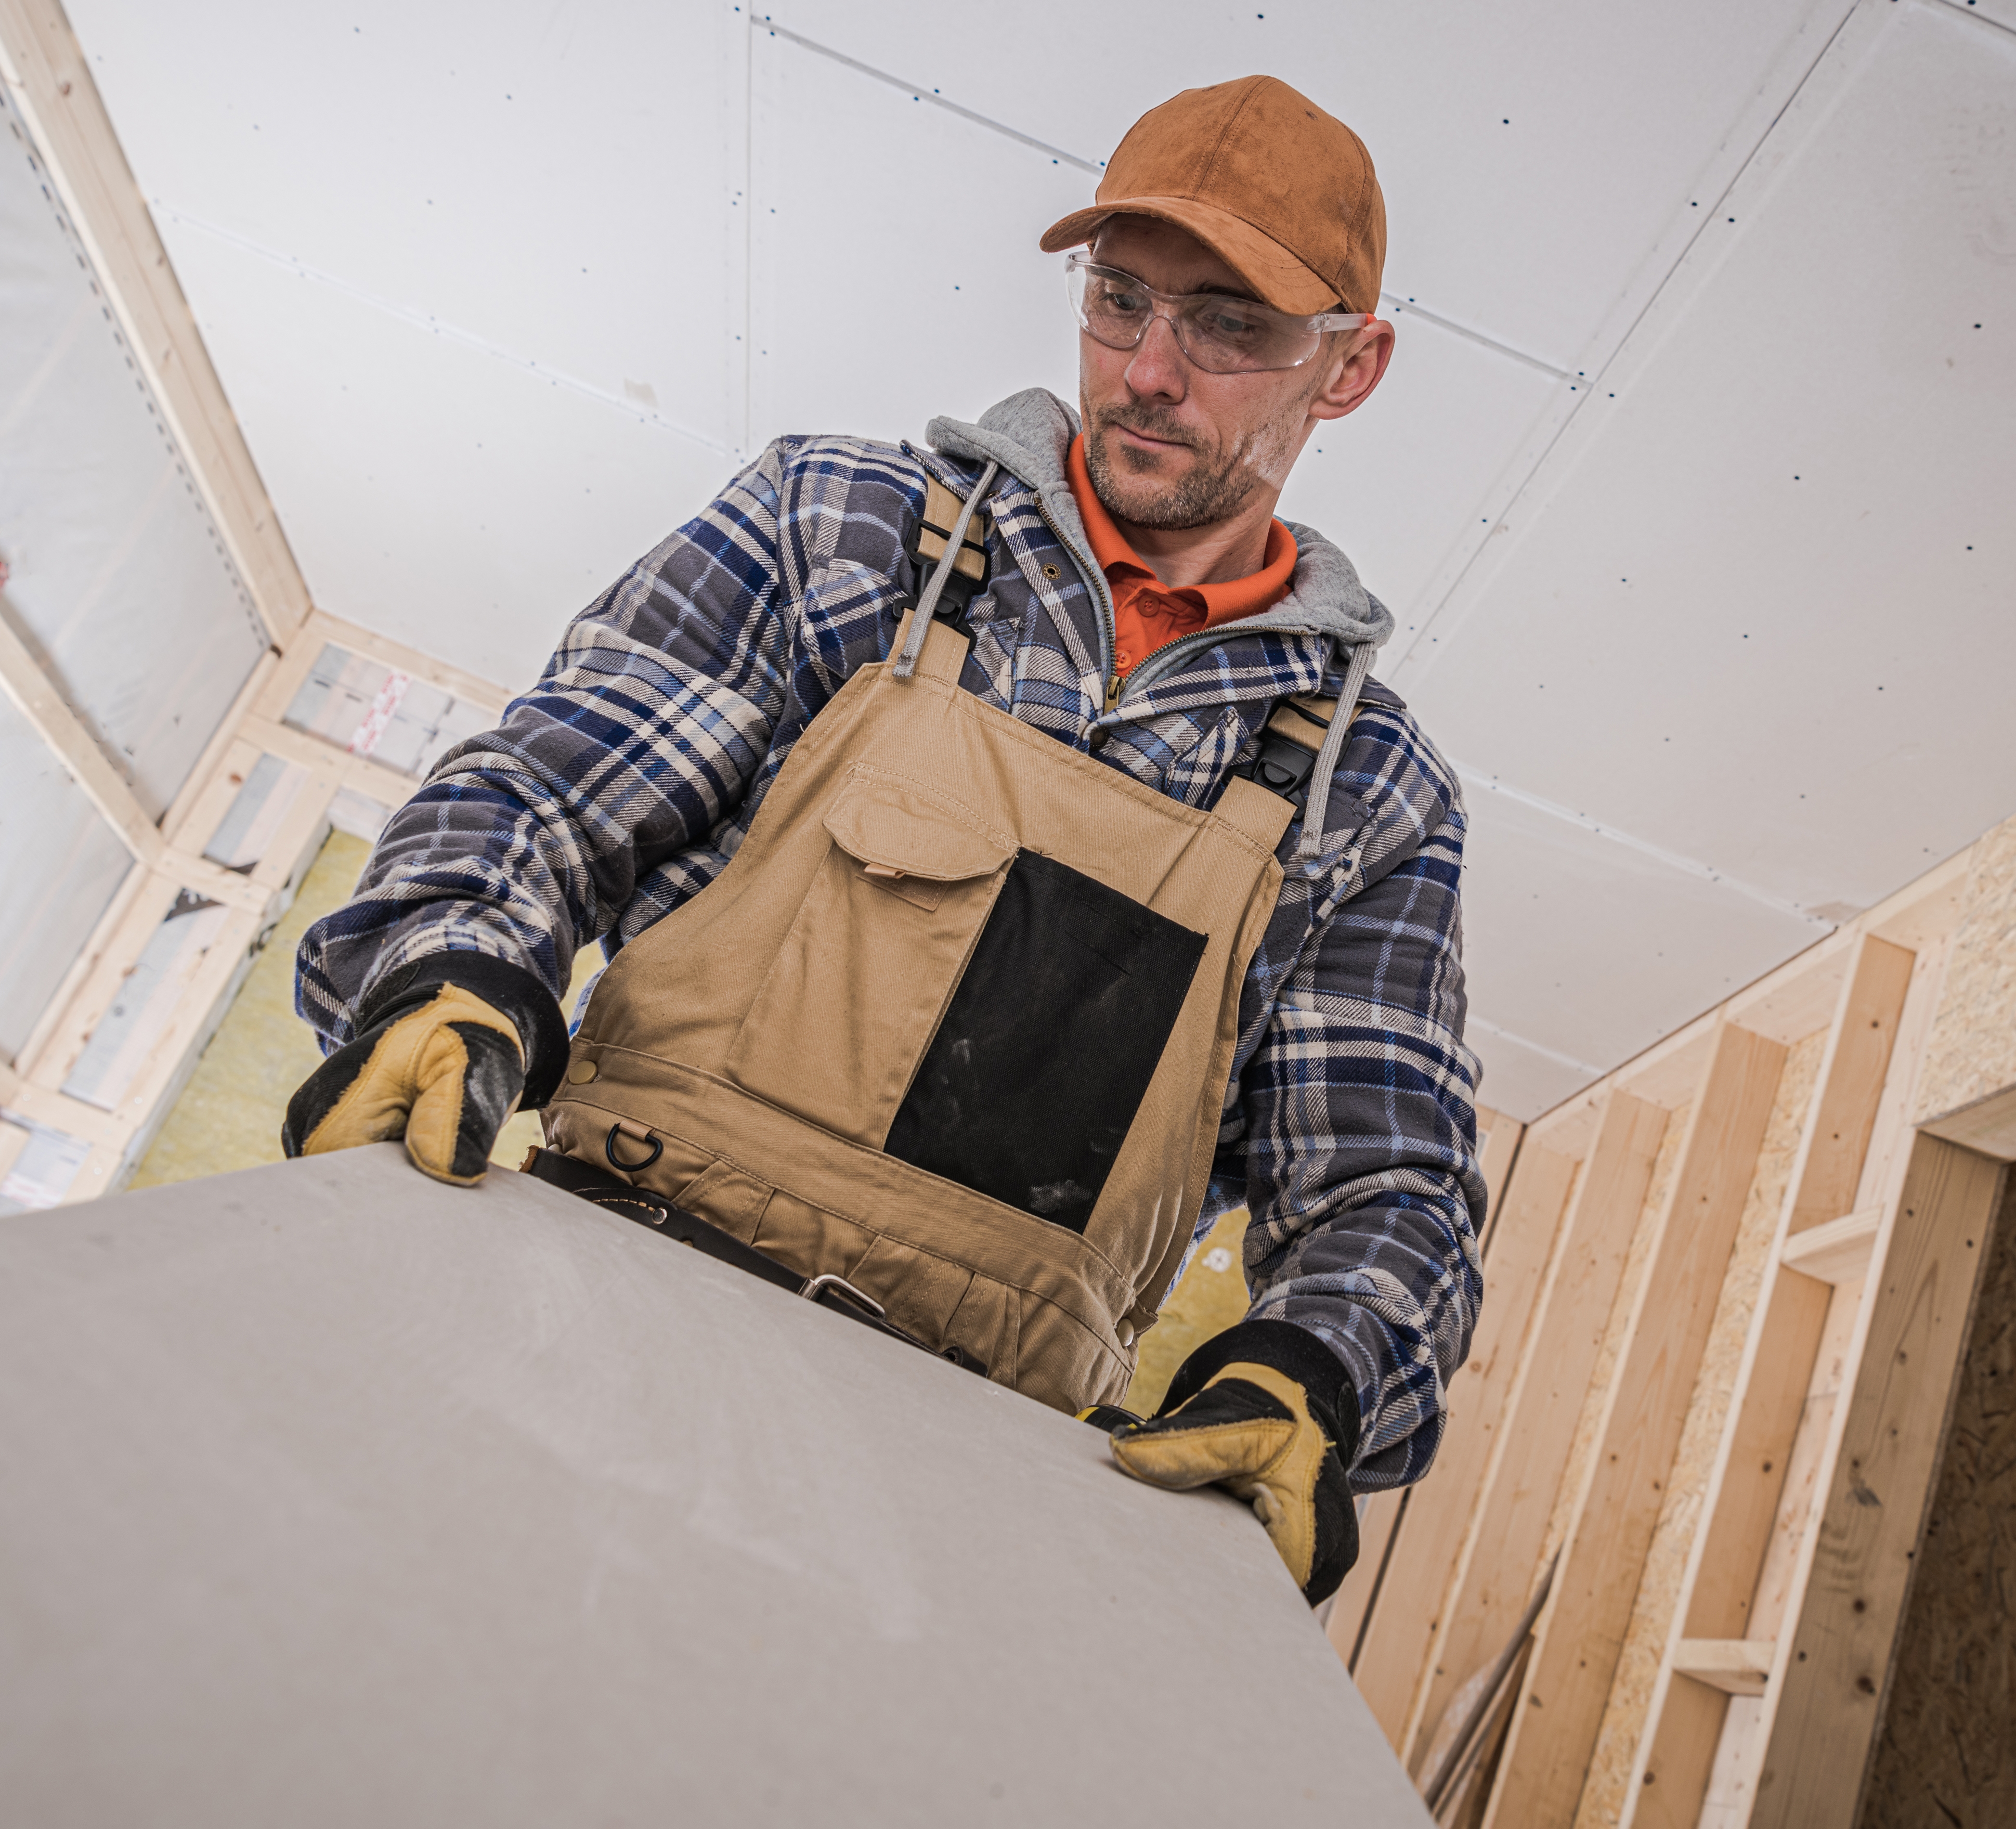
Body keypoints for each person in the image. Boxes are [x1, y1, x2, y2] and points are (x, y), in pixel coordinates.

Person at [282, 77, 1484, 1604]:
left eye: (1228, 325)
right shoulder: (836, 526)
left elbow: (1388, 1180)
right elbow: (545, 794)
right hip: (580, 1300)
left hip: (944, 1503)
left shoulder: (1368, 791)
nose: (1147, 372)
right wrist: (448, 966)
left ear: (1350, 366)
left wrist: (1317, 1364)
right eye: (1117, 299)